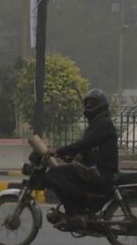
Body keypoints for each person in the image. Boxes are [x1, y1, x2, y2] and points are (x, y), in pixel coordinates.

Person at [44, 88, 119, 230]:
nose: (89, 106)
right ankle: (81, 210)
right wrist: (69, 156)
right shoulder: (95, 125)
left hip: (101, 173)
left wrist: (58, 150)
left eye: (93, 103)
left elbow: (84, 144)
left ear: (101, 105)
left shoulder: (104, 124)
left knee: (53, 174)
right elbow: (85, 150)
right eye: (88, 103)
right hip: (94, 170)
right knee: (64, 173)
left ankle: (73, 214)